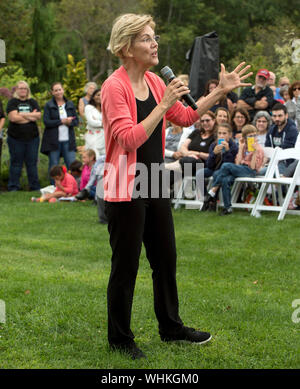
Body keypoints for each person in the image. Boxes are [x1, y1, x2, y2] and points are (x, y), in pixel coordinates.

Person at [101, 12, 252, 359]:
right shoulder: (114, 87)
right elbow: (128, 139)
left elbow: (184, 116)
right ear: (126, 47)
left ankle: (171, 327)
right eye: (146, 38)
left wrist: (220, 92)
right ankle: (120, 339)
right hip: (125, 184)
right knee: (126, 265)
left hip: (153, 181)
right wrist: (164, 103)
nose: (155, 43)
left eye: (154, 36)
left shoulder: (155, 82)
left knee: (165, 259)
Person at [203, 124, 264, 215]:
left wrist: (254, 152)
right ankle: (227, 208)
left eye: (254, 135)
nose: (253, 138)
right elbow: (238, 163)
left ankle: (213, 190)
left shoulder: (258, 148)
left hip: (250, 171)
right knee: (225, 179)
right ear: (245, 137)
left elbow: (252, 168)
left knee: (226, 165)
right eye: (250, 136)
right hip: (240, 169)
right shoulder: (243, 147)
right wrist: (241, 147)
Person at [6, 81, 41, 191]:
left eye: (25, 88)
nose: (23, 90)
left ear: (28, 90)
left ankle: (34, 187)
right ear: (16, 90)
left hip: (32, 139)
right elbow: (13, 118)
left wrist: (21, 114)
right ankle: (13, 187)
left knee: (32, 163)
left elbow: (38, 116)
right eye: (21, 88)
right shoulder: (12, 102)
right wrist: (31, 116)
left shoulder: (32, 102)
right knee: (16, 163)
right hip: (15, 138)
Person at [41, 82, 79, 178]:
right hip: (54, 141)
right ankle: (54, 187)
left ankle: (73, 187)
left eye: (60, 89)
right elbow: (46, 122)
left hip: (68, 140)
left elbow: (76, 121)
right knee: (54, 165)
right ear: (52, 92)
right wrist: (61, 122)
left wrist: (70, 122)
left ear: (63, 90)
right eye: (55, 90)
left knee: (71, 165)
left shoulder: (70, 104)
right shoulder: (49, 105)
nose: (58, 92)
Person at [198, 123, 238, 210]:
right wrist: (213, 154)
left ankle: (212, 201)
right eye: (219, 133)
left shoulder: (233, 146)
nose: (221, 136)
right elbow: (209, 165)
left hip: (226, 171)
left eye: (224, 133)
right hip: (214, 169)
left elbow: (230, 164)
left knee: (217, 174)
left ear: (230, 135)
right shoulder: (213, 145)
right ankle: (206, 198)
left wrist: (227, 151)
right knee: (199, 173)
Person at [165, 111, 216, 178]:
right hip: (186, 163)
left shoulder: (216, 136)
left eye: (207, 120)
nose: (205, 123)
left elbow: (213, 155)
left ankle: (165, 167)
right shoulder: (196, 132)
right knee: (167, 176)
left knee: (191, 161)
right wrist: (189, 154)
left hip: (203, 164)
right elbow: (183, 147)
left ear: (214, 120)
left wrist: (197, 154)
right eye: (202, 121)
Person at [264, 103, 298, 174]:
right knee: (256, 171)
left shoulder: (292, 130)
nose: (277, 119)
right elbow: (267, 149)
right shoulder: (271, 130)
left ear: (286, 115)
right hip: (273, 163)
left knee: (267, 172)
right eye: (274, 116)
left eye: (280, 116)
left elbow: (285, 152)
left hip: (287, 164)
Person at [84, 88, 105, 158]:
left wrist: (97, 121)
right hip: (93, 138)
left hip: (103, 138)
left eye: (102, 95)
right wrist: (102, 124)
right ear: (93, 97)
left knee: (104, 160)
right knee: (94, 159)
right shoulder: (89, 107)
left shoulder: (105, 109)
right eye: (97, 95)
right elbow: (91, 122)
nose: (100, 96)